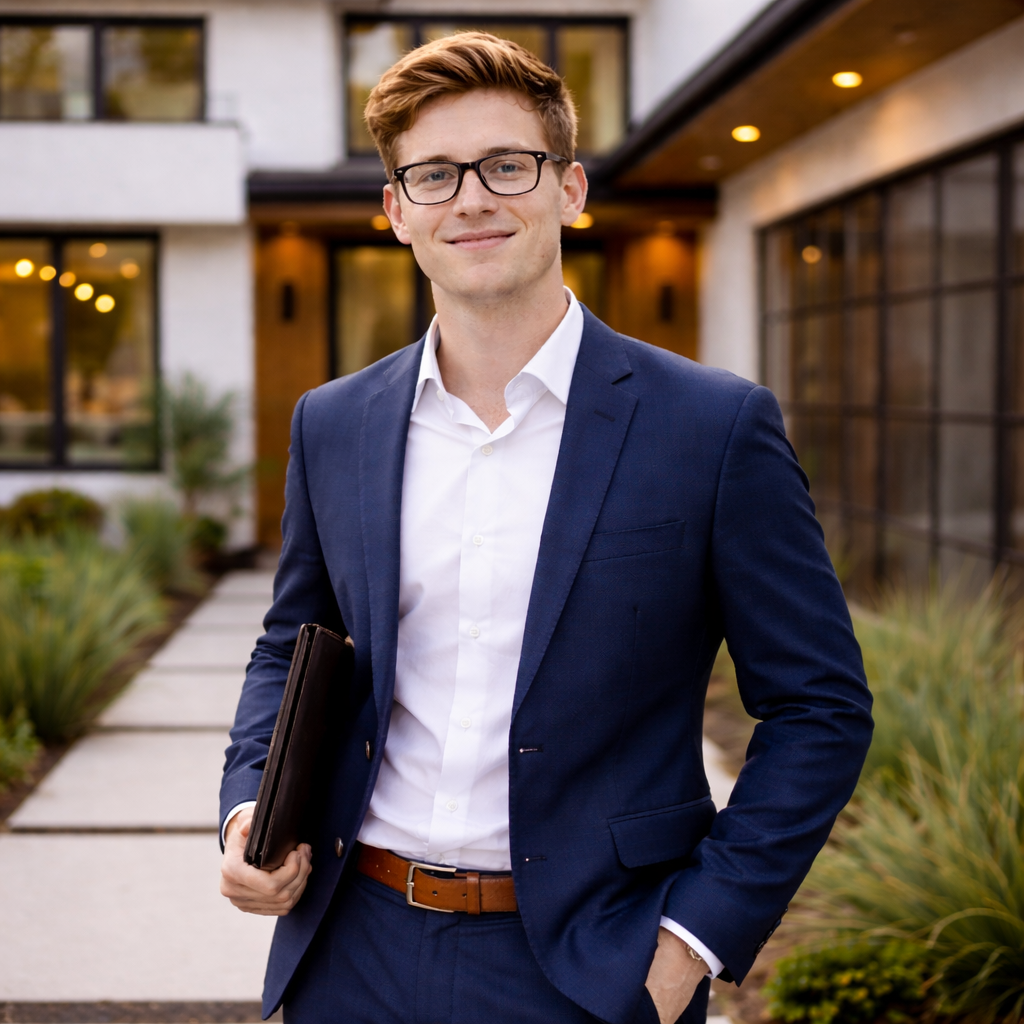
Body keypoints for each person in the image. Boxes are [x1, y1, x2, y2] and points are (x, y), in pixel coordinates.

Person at [219, 32, 872, 1024]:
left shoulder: (711, 425)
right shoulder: (333, 421)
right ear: (397, 211)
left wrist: (688, 942)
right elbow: (292, 640)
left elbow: (819, 707)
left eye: (505, 166)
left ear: (568, 190)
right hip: (350, 945)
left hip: (591, 966)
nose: (470, 198)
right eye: (433, 175)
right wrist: (249, 808)